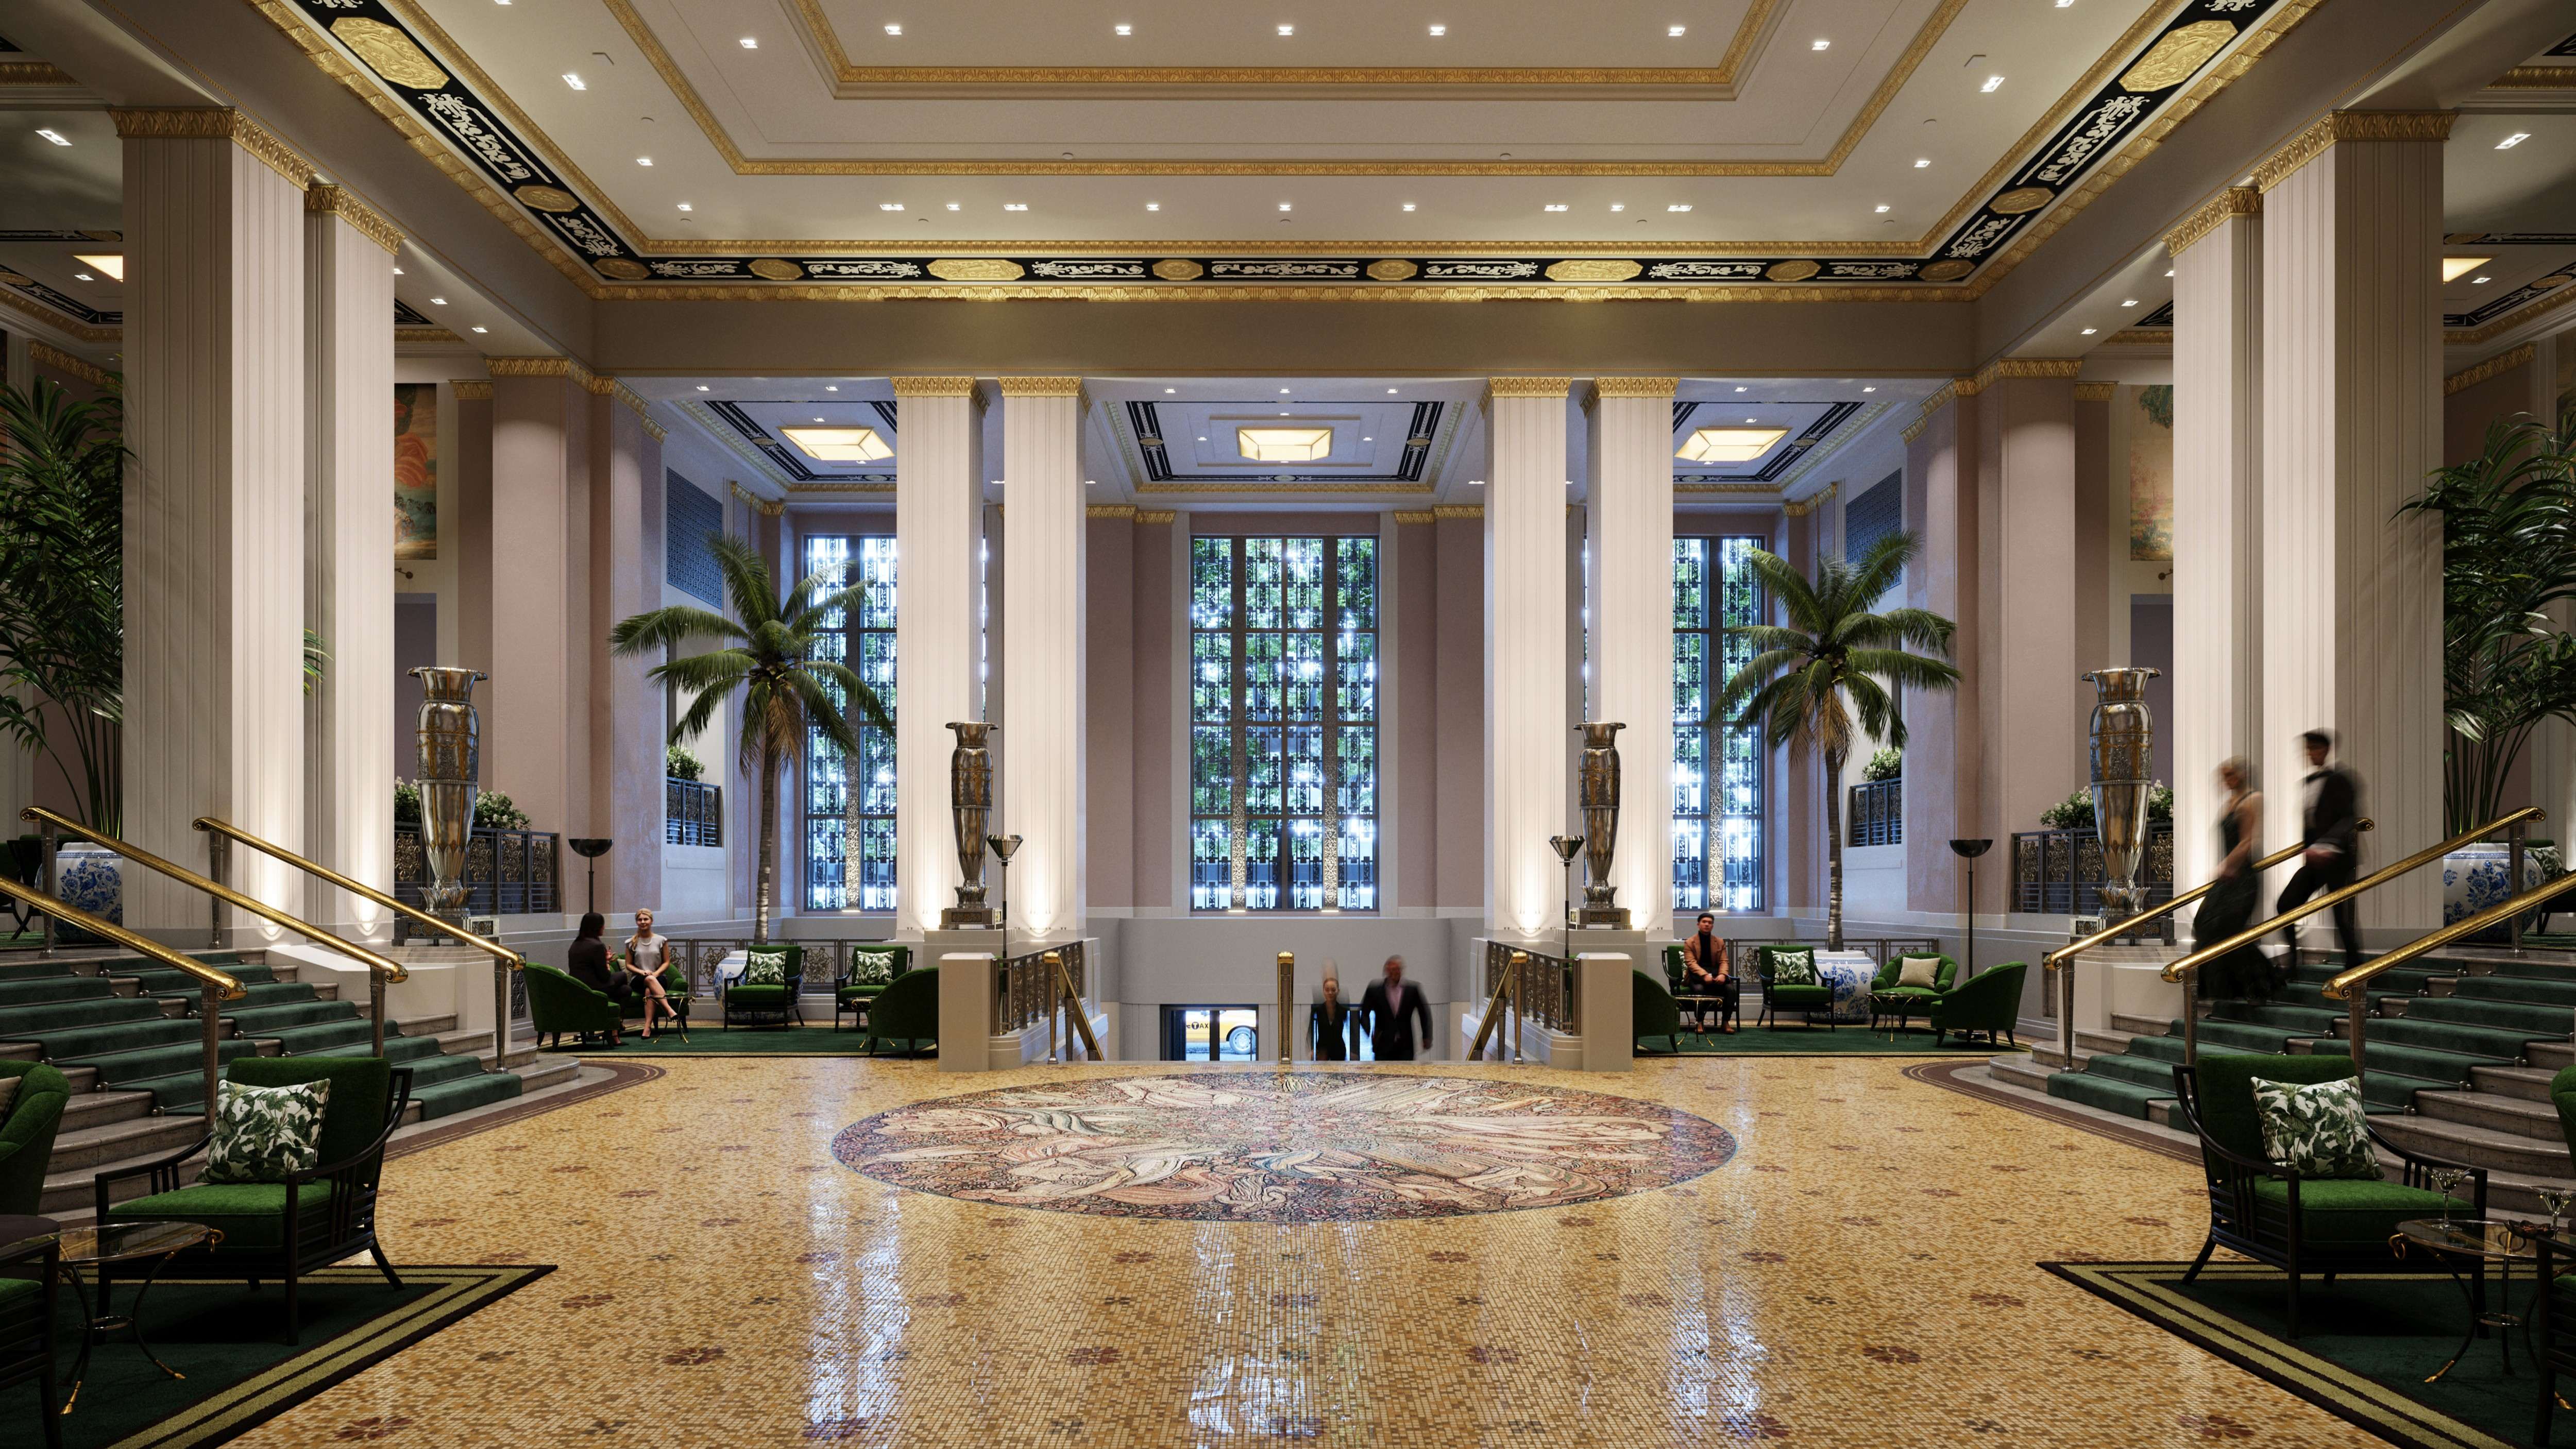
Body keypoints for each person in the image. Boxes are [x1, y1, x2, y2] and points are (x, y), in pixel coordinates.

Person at [2275, 730, 2364, 969]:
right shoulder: (2307, 782)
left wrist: (2328, 846)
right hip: (2314, 861)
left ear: (2325, 750)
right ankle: (2292, 962)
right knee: (2285, 904)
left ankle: (2354, 965)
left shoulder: (2341, 779)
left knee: (2340, 915)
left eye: (2313, 748)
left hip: (2337, 859)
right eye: (2307, 749)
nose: (2309, 754)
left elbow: (2349, 819)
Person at [2193, 759, 2272, 1001]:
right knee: (2203, 921)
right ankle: (2224, 989)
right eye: (2224, 776)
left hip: (2242, 877)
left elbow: (2247, 841)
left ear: (2241, 775)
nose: (2227, 780)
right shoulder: (2228, 803)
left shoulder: (2253, 799)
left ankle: (2258, 983)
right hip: (2227, 877)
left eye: (2230, 775)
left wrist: (2227, 865)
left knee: (2227, 928)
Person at [562, 912, 622, 1048]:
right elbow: (604, 976)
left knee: (625, 990)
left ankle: (614, 1031)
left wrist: (604, 960)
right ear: (597, 927)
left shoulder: (576, 944)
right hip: (594, 989)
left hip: (578, 988)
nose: (604, 928)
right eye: (603, 925)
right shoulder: (597, 946)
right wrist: (607, 963)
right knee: (623, 977)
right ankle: (613, 1030)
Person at [1359, 954, 1433, 1062]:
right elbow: (1364, 1013)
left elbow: (1424, 1014)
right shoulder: (1375, 990)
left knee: (1406, 1075)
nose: (1394, 973)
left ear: (1401, 971)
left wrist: (1427, 1036)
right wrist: (1370, 1033)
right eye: (1391, 970)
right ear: (1386, 971)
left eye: (1397, 970)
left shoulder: (1412, 990)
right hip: (1382, 1045)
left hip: (1406, 1044)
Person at [622, 908, 678, 1038]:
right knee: (648, 980)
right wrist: (642, 972)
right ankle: (669, 1010)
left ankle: (647, 1027)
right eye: (640, 920)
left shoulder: (661, 940)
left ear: (651, 921)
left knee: (649, 990)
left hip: (659, 977)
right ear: (637, 922)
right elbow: (628, 965)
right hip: (638, 979)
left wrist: (656, 973)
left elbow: (666, 962)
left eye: (646, 919)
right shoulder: (630, 943)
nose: (643, 922)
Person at [1679, 912, 1738, 1033]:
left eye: (1710, 923)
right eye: (1704, 922)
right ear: (1698, 924)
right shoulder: (1690, 942)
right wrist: (1704, 975)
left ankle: (1726, 1023)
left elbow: (1724, 961)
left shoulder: (1719, 942)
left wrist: (1722, 974)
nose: (1707, 924)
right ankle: (1699, 1023)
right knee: (1700, 990)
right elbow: (1691, 963)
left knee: (1730, 990)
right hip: (1697, 976)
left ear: (1712, 926)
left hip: (1716, 974)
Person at [1309, 965, 1360, 1062]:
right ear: (1323, 991)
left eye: (1333, 990)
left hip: (1339, 1051)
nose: (1330, 993)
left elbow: (1353, 1030)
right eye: (1327, 990)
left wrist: (1354, 1051)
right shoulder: (1318, 1010)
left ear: (1338, 991)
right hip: (1322, 1052)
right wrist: (1312, 1049)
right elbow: (1310, 1030)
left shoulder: (1343, 1010)